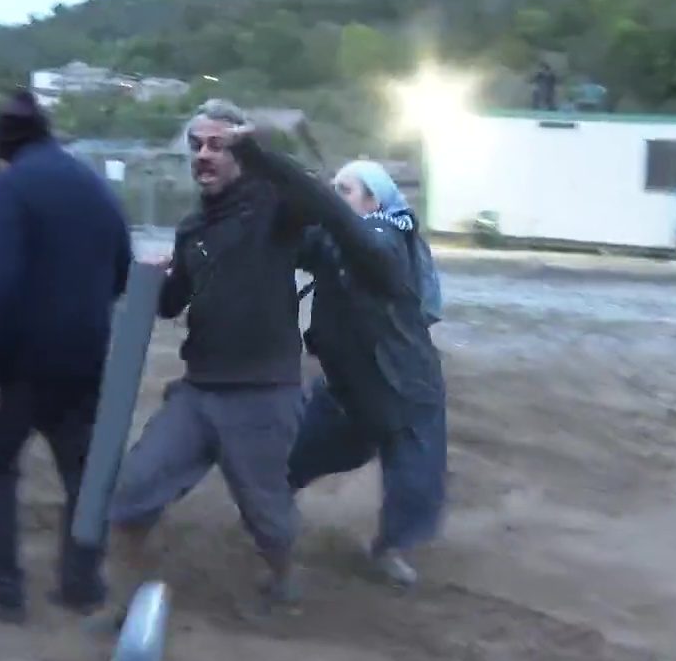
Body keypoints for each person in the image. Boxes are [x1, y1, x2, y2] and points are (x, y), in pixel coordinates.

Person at [87, 99, 307, 626]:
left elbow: (306, 187)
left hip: (262, 392)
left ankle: (283, 583)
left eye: (217, 145)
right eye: (196, 145)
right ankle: (127, 604)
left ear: (242, 153)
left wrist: (262, 141)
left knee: (268, 516)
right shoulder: (191, 229)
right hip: (199, 391)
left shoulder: (275, 209)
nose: (203, 155)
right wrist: (148, 277)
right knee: (134, 490)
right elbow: (170, 303)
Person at [234, 140, 448, 587]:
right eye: (333, 189)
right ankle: (272, 519)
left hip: (403, 383)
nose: (335, 197)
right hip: (347, 385)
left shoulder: (390, 237)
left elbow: (357, 241)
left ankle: (391, 549)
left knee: (412, 474)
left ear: (373, 200)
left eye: (345, 190)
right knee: (293, 453)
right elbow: (288, 239)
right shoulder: (331, 240)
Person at [0, 90, 133, 624]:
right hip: (87, 355)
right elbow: (123, 269)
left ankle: (3, 590)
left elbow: (2, 284)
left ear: (3, 144)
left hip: (23, 362)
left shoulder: (12, 186)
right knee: (82, 470)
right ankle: (81, 584)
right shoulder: (94, 184)